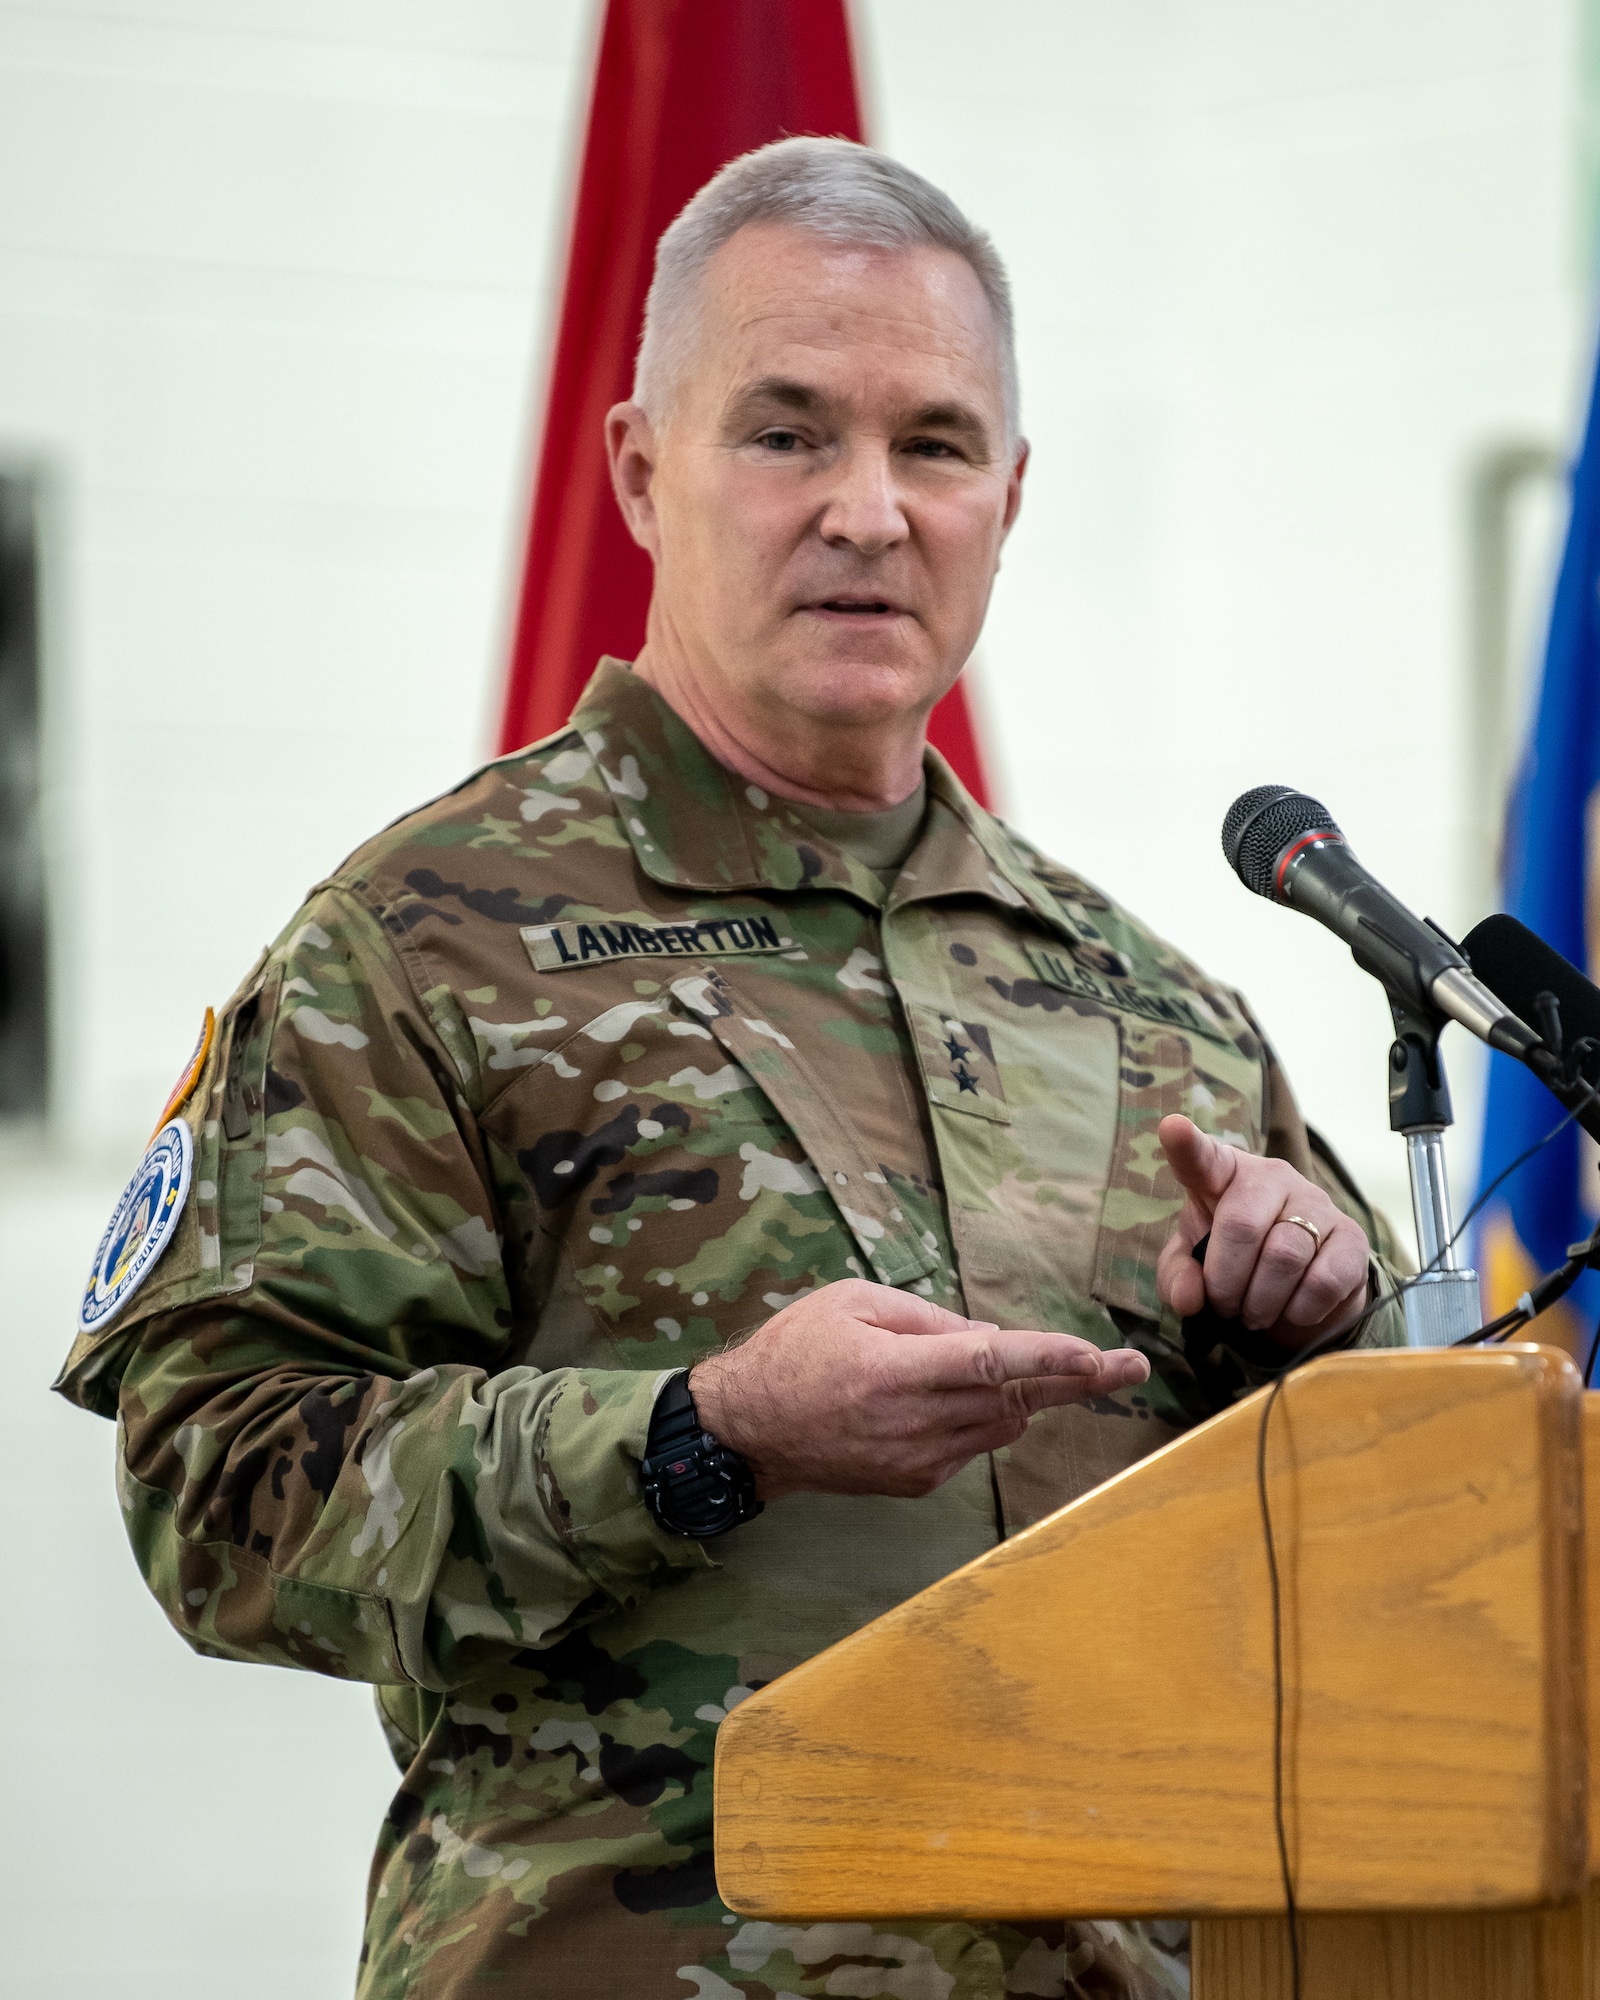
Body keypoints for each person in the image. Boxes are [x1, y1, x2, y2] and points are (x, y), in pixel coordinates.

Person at [56, 138, 1403, 2000]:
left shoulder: (1146, 1000)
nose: (869, 511)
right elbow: (220, 1495)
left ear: (1010, 498)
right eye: (786, 434)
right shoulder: (426, 940)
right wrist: (704, 1436)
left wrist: (1311, 1334)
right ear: (639, 468)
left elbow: (1386, 1547)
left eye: (933, 445)